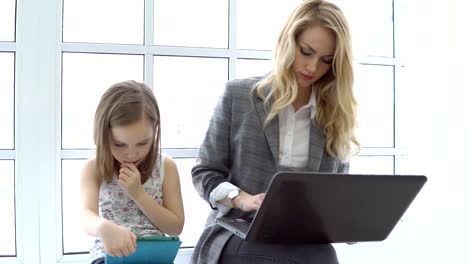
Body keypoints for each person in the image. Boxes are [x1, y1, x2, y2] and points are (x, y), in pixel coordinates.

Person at [191, 0, 359, 263]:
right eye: (306, 52)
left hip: (305, 240)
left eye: (326, 60)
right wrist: (240, 198)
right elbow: (204, 172)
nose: (313, 68)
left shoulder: (335, 116)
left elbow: (335, 196)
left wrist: (352, 220)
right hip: (237, 230)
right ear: (287, 42)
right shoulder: (239, 95)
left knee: (321, 257)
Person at [79, 80, 185, 264]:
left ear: (155, 131)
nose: (131, 154)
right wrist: (103, 227)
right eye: (119, 144)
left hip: (154, 255)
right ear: (103, 135)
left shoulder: (166, 166)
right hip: (109, 255)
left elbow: (175, 227)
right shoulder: (94, 167)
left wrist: (138, 194)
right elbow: (85, 215)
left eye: (142, 143)